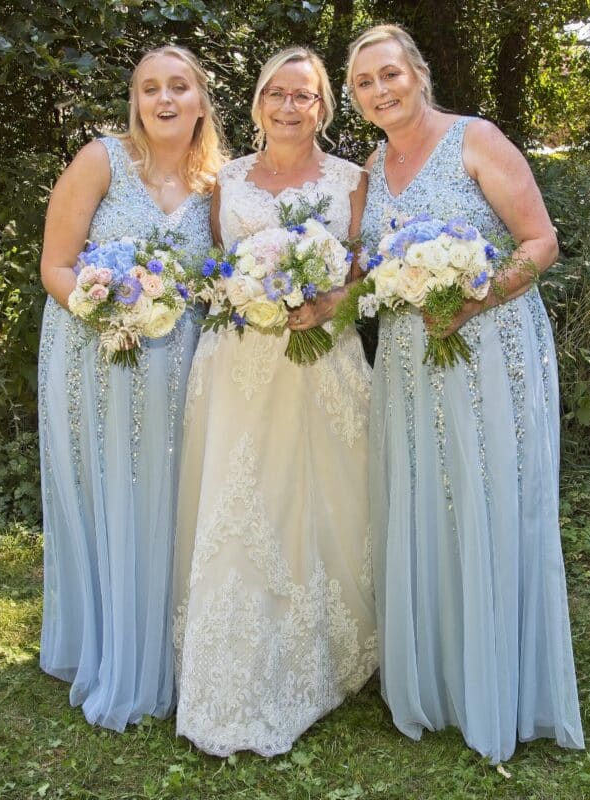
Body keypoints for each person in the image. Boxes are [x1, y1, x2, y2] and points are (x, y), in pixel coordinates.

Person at [346, 24, 584, 762]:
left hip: (491, 347)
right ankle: (437, 676)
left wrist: (476, 297)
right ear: (355, 98)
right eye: (364, 83)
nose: (381, 90)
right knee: (423, 500)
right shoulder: (370, 167)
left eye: (390, 73)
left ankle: (499, 682)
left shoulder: (477, 139)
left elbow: (540, 242)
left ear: (417, 71)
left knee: (488, 499)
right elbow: (361, 266)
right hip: (411, 355)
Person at [172, 46, 376, 758]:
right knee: (240, 503)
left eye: (306, 96)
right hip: (237, 368)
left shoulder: (354, 179)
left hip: (320, 362)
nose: (290, 107)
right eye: (277, 93)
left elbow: (362, 276)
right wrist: (243, 292)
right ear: (257, 101)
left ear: (325, 106)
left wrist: (327, 304)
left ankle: (330, 652)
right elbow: (214, 269)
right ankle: (227, 669)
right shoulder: (223, 179)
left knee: (321, 505)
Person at [37, 45, 225, 730]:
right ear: (135, 101)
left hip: (182, 368)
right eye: (150, 88)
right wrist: (106, 309)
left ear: (202, 101)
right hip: (97, 358)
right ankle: (109, 647)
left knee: (170, 501)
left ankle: (170, 650)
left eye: (179, 87)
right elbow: (55, 266)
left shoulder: (218, 187)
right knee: (108, 494)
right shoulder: (100, 161)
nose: (164, 99)